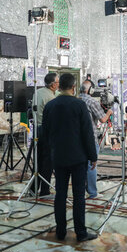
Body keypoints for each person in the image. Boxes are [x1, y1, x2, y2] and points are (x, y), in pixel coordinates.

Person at [42, 73, 98, 242]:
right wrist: (92, 156)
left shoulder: (50, 105)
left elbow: (45, 133)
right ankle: (80, 232)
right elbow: (87, 133)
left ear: (59, 86)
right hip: (78, 157)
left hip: (58, 157)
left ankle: (60, 231)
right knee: (79, 196)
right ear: (74, 87)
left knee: (60, 194)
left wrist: (51, 152)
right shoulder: (79, 105)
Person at [80, 80, 112, 199]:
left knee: (81, 165)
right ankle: (93, 193)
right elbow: (103, 119)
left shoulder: (77, 99)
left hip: (78, 138)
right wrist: (108, 112)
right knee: (92, 165)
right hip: (90, 137)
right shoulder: (92, 101)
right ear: (91, 90)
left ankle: (81, 190)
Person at [32, 72, 59, 197]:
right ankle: (44, 191)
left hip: (37, 130)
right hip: (46, 131)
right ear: (53, 85)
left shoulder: (38, 92)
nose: (59, 85)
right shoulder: (51, 98)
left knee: (38, 160)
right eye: (58, 82)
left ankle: (33, 189)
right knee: (48, 162)